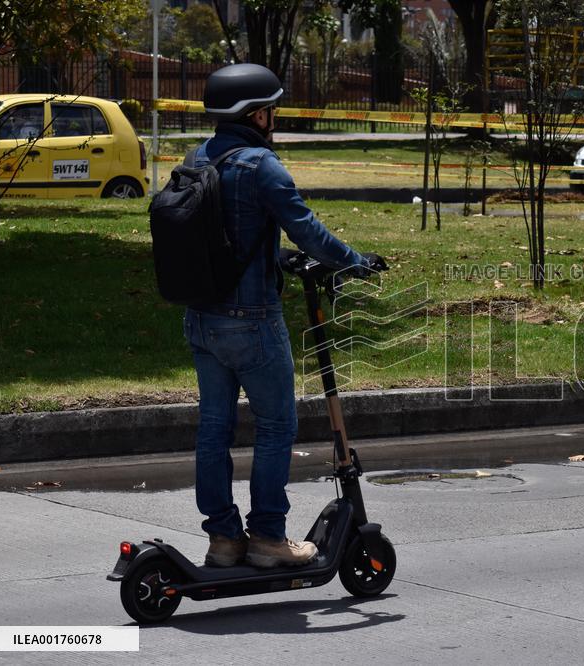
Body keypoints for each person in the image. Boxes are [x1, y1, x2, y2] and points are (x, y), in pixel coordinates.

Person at [184, 63, 385, 569]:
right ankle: (269, 539)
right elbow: (308, 230)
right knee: (275, 426)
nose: (273, 118)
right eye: (270, 109)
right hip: (252, 321)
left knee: (214, 428)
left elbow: (224, 236)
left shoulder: (196, 158)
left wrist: (277, 258)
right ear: (257, 115)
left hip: (202, 319)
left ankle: (223, 539)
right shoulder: (261, 165)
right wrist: (356, 262)